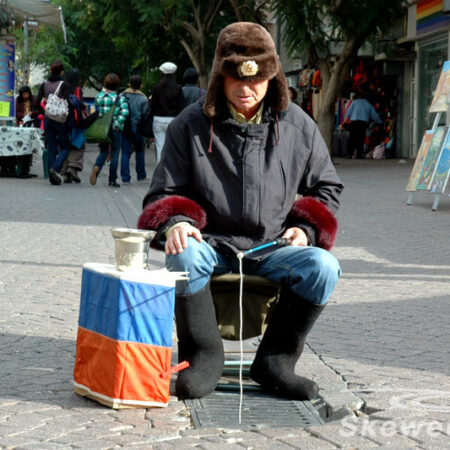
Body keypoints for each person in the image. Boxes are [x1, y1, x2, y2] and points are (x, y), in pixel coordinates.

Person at [137, 22, 344, 401]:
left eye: (257, 80)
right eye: (236, 79)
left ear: (272, 79)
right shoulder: (190, 125)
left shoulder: (298, 124)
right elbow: (162, 193)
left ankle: (275, 361)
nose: (246, 88)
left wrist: (305, 229)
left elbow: (326, 188)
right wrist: (177, 221)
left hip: (273, 247)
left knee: (323, 267)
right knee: (183, 253)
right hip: (211, 244)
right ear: (220, 77)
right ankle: (203, 355)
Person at [89, 73, 129, 188]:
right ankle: (112, 179)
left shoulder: (99, 96)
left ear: (105, 84)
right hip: (115, 129)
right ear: (117, 85)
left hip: (103, 128)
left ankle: (97, 166)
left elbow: (96, 104)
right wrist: (117, 124)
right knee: (115, 153)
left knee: (104, 151)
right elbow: (125, 112)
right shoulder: (120, 98)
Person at [36, 60, 71, 185]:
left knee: (52, 148)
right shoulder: (64, 84)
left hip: (48, 120)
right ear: (62, 72)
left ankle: (53, 179)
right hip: (60, 121)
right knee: (66, 147)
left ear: (51, 70)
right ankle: (55, 168)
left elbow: (36, 103)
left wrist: (45, 111)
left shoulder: (44, 84)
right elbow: (68, 103)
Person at [150, 62, 184, 162]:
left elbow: (153, 106)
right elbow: (181, 107)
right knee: (173, 147)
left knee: (160, 147)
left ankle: (161, 173)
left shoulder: (156, 88)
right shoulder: (178, 88)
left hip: (158, 120)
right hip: (173, 120)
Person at [120, 75, 148, 183]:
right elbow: (145, 114)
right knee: (140, 152)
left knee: (125, 153)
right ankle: (141, 175)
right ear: (141, 85)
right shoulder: (143, 98)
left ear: (129, 84)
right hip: (138, 128)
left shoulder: (122, 95)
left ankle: (125, 178)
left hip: (125, 128)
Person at [61, 68, 86, 183]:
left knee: (65, 146)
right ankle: (72, 167)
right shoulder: (77, 89)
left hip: (62, 120)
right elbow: (80, 104)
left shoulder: (62, 86)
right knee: (78, 145)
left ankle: (65, 173)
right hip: (75, 121)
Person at [344, 89, 382, 159]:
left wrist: (346, 119)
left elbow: (348, 113)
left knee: (352, 138)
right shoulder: (368, 104)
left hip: (354, 122)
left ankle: (349, 154)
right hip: (362, 123)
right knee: (360, 139)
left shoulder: (354, 103)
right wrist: (380, 122)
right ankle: (359, 154)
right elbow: (374, 116)